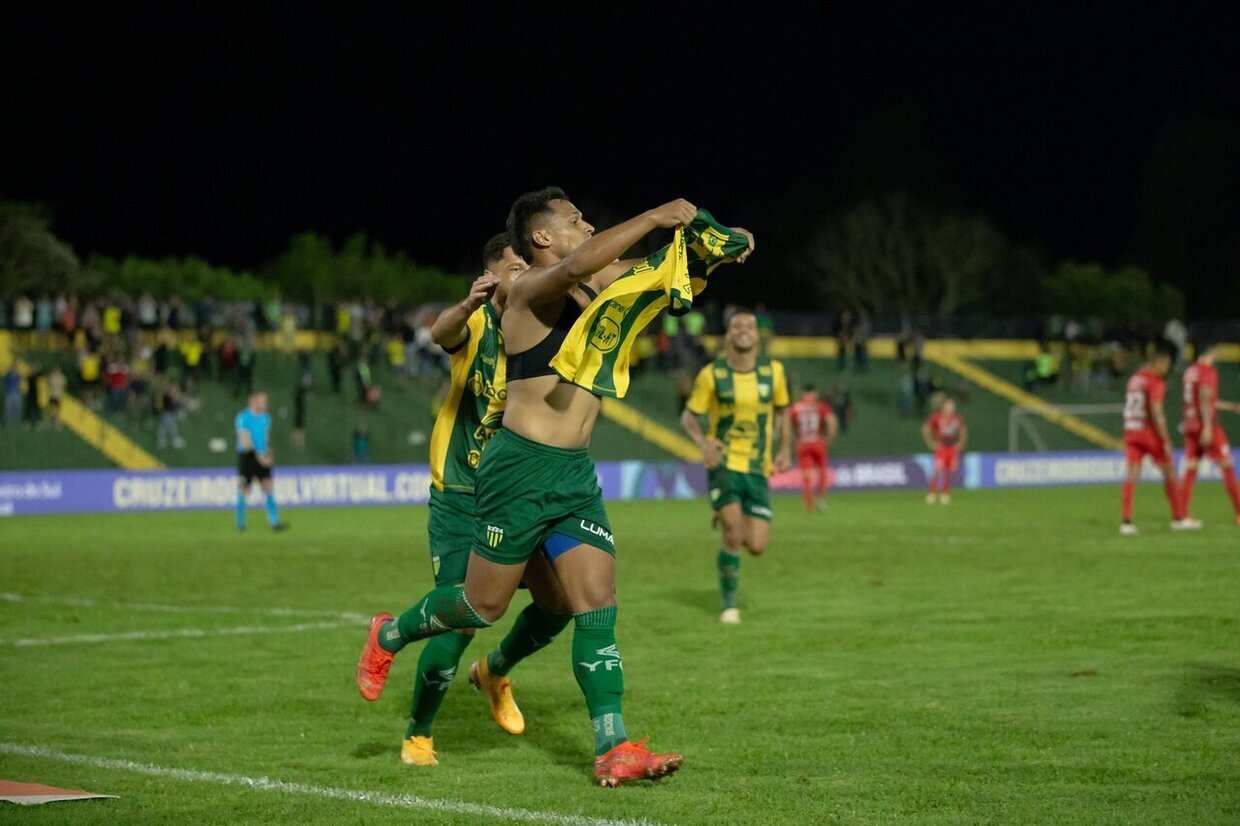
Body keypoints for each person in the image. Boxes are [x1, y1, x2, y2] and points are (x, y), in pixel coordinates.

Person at [355, 188, 752, 786]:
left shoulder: (592, 283)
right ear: (541, 237)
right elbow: (577, 265)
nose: (587, 224)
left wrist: (721, 250)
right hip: (518, 470)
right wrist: (653, 216)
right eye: (574, 219)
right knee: (480, 607)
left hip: (573, 473)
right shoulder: (527, 293)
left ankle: (613, 747)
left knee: (594, 604)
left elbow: (653, 270)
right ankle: (389, 633)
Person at [357, 233, 577, 768]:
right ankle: (419, 734)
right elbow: (441, 333)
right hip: (461, 493)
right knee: (460, 618)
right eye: (516, 265)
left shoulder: (545, 326)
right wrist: (467, 304)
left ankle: (494, 671)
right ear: (491, 275)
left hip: (519, 493)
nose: (527, 272)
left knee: (560, 605)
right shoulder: (478, 323)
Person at [681, 309, 790, 624]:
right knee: (733, 533)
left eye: (749, 326)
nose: (743, 329)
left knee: (756, 545)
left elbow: (783, 412)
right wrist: (703, 443)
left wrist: (785, 449)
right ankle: (729, 605)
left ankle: (725, 514)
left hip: (757, 466)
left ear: (757, 335)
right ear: (728, 335)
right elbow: (689, 416)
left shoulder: (774, 372)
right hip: (725, 462)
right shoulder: (712, 374)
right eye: (736, 325)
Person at [1119, 345, 1198, 535]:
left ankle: (1126, 522)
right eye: (1166, 365)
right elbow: (1156, 412)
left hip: (1131, 431)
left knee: (1131, 476)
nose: (1166, 369)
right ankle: (1179, 518)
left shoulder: (1134, 379)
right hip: (1149, 434)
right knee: (1170, 472)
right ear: (1159, 363)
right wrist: (1165, 438)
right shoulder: (1155, 381)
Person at [1179, 341, 1240, 525]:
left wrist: (1231, 406)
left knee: (1191, 469)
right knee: (1227, 466)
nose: (1216, 357)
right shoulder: (1208, 371)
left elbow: (1205, 399)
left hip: (1190, 425)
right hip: (1208, 426)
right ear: (1209, 353)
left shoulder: (1190, 372)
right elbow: (1205, 396)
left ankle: (1182, 514)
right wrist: (1207, 426)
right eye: (1214, 354)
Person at [234, 391, 289, 532]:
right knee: (245, 489)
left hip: (263, 455)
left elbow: (266, 438)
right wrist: (259, 456)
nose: (266, 404)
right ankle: (240, 523)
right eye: (263, 401)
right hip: (247, 456)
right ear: (254, 401)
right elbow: (245, 439)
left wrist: (269, 454)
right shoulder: (243, 417)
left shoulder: (266, 418)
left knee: (268, 487)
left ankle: (275, 522)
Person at [789, 384, 838, 512]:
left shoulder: (796, 407)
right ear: (814, 394)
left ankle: (809, 505)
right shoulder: (820, 406)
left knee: (806, 475)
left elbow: (786, 422)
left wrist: (792, 439)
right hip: (818, 442)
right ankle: (820, 499)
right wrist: (829, 438)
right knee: (822, 472)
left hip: (802, 443)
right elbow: (831, 421)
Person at [922, 397, 967, 504]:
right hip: (941, 448)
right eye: (949, 406)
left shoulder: (956, 418)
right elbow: (926, 428)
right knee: (938, 470)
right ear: (943, 407)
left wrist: (961, 443)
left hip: (952, 448)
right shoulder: (937, 417)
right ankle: (932, 492)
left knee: (950, 471)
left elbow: (963, 430)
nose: (951, 408)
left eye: (952, 406)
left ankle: (945, 493)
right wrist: (930, 442)